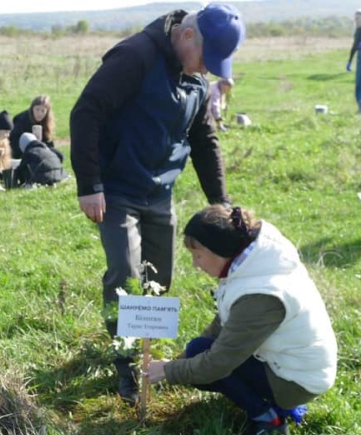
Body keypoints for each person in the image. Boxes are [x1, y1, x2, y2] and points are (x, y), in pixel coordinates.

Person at [69, 2, 245, 405]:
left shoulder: (197, 81)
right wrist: (90, 183)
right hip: (115, 190)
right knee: (126, 276)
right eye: (206, 59)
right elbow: (87, 112)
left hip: (159, 193)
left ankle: (147, 350)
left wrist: (221, 201)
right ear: (186, 36)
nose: (206, 70)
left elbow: (204, 140)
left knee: (159, 278)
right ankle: (125, 363)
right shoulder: (135, 57)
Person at [146, 205, 338, 435]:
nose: (196, 264)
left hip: (297, 382)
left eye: (198, 255)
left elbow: (218, 363)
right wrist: (178, 361)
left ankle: (270, 418)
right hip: (296, 367)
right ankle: (274, 403)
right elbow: (224, 324)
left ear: (218, 251)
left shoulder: (261, 295)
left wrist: (168, 371)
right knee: (199, 348)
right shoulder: (253, 264)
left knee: (204, 356)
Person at [9, 95, 57, 160]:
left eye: (43, 111)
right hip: (21, 151)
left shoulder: (46, 122)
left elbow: (48, 141)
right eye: (37, 109)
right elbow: (14, 140)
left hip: (39, 149)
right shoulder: (22, 120)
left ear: (47, 112)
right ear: (32, 109)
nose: (39, 113)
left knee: (57, 155)